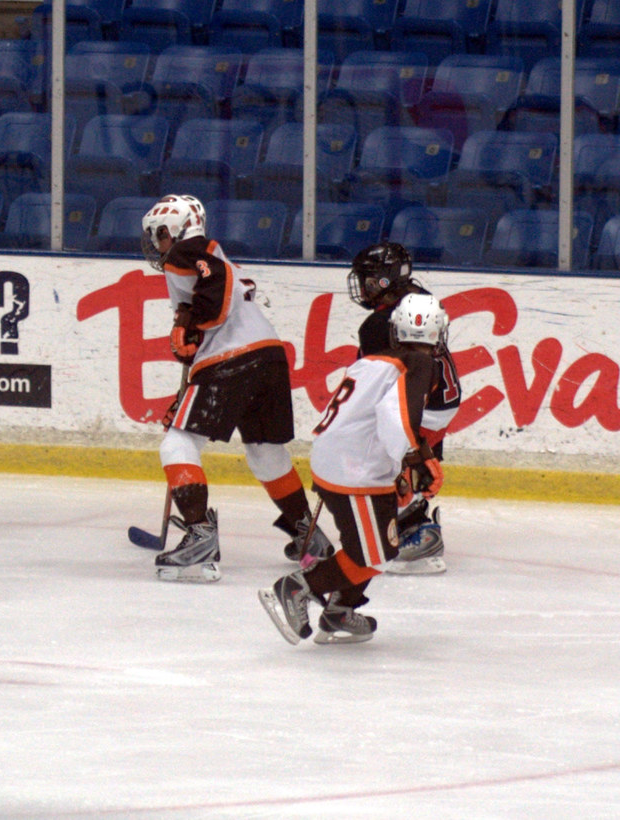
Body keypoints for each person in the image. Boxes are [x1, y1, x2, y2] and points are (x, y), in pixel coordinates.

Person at [140, 194, 332, 583]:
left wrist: (193, 322)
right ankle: (309, 536)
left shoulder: (189, 250)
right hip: (268, 356)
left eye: (159, 235)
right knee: (265, 452)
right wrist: (191, 325)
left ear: (177, 230)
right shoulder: (219, 260)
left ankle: (200, 538)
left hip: (230, 359)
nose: (156, 244)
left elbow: (212, 281)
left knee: (177, 444)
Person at [258, 293, 450, 644]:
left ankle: (340, 610)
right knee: (375, 554)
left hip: (345, 461)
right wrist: (415, 459)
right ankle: (298, 588)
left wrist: (407, 460)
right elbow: (396, 417)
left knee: (377, 544)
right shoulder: (422, 364)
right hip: (356, 470)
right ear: (439, 333)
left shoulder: (372, 360)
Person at [346, 242, 461, 575]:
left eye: (369, 279)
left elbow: (379, 379)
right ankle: (410, 520)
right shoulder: (420, 298)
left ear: (386, 280)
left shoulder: (378, 324)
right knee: (403, 456)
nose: (363, 287)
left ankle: (418, 532)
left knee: (381, 453)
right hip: (437, 399)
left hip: (423, 402)